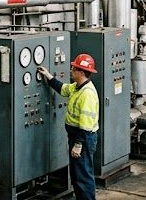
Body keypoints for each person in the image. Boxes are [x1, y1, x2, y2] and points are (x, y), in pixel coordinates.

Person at [37, 54, 99, 200]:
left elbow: (85, 125)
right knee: (77, 175)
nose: (71, 70)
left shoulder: (87, 93)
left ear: (82, 72)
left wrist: (78, 145)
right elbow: (63, 89)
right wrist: (48, 76)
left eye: (74, 68)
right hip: (76, 137)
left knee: (83, 176)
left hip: (83, 139)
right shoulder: (77, 87)